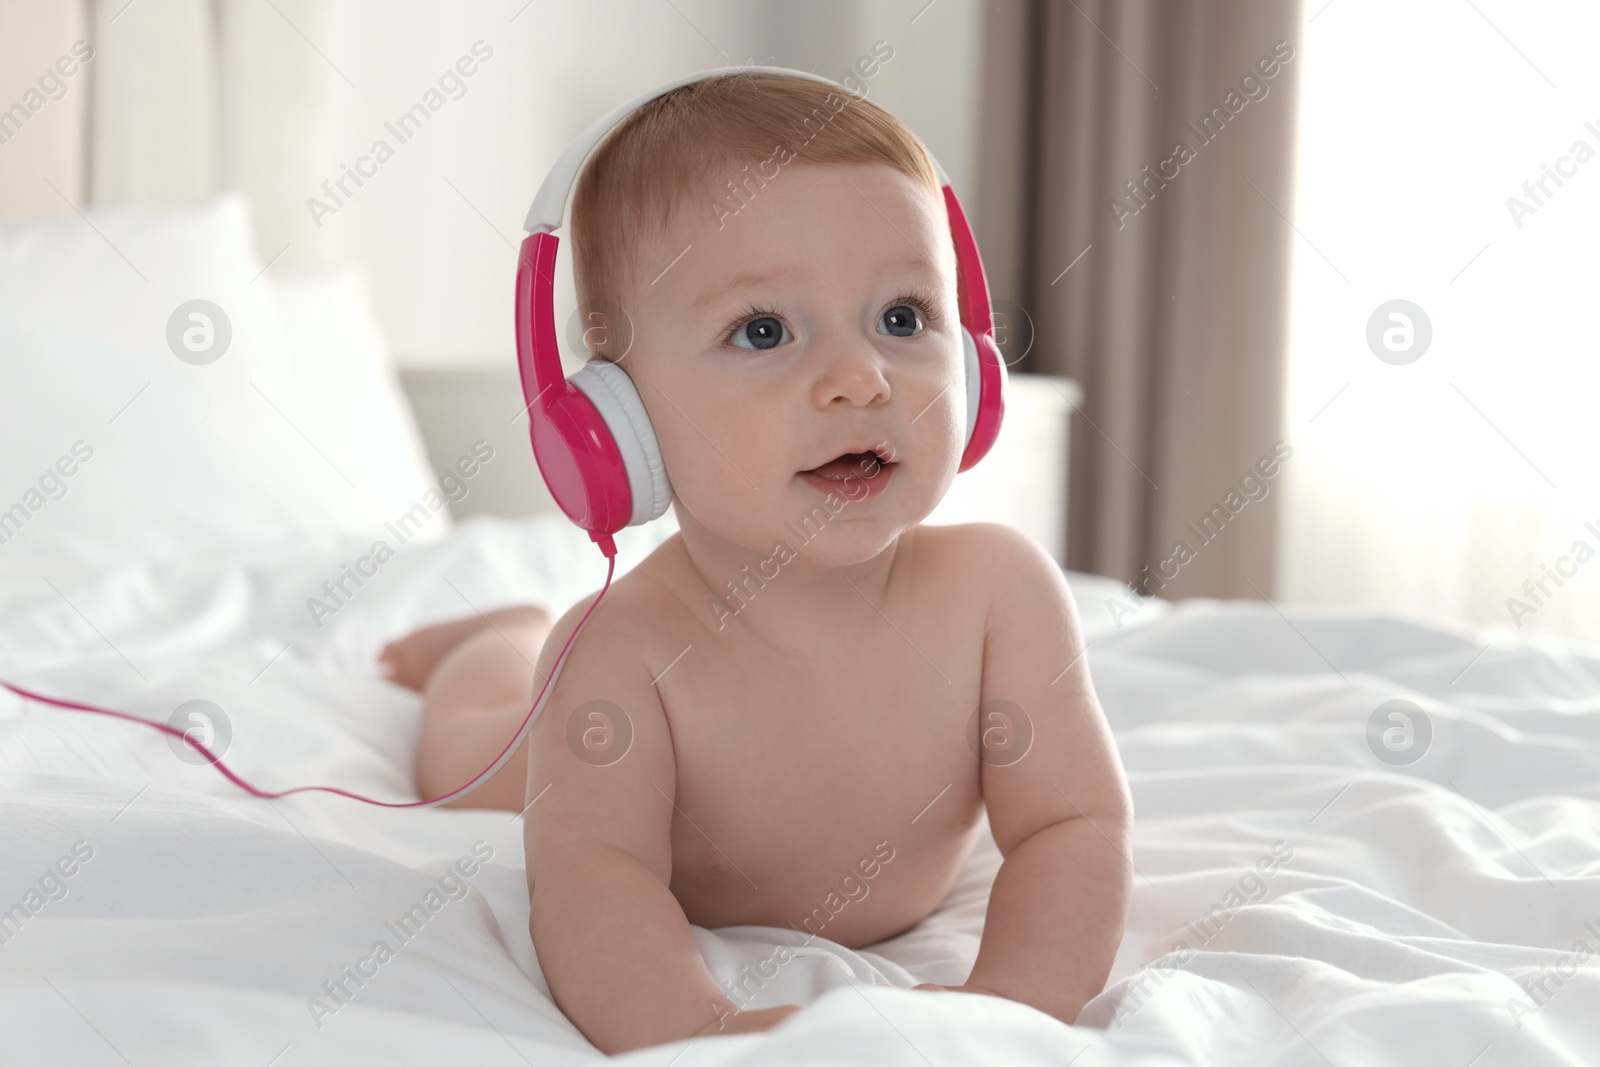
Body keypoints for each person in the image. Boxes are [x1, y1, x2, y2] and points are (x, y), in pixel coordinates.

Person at [380, 72, 1131, 1056]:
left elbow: (1071, 824)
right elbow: (593, 880)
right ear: (619, 420)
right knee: (468, 751)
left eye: (903, 316)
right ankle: (491, 636)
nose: (859, 377)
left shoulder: (1000, 595)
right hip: (542, 733)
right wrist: (696, 1025)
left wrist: (1011, 1006)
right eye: (763, 330)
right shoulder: (622, 654)